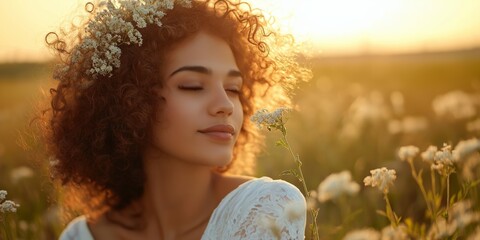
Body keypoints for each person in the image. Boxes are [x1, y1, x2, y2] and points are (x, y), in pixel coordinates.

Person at [41, 0, 311, 239]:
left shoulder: (264, 208)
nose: (225, 105)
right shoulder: (81, 235)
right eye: (193, 86)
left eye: (233, 89)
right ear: (130, 100)